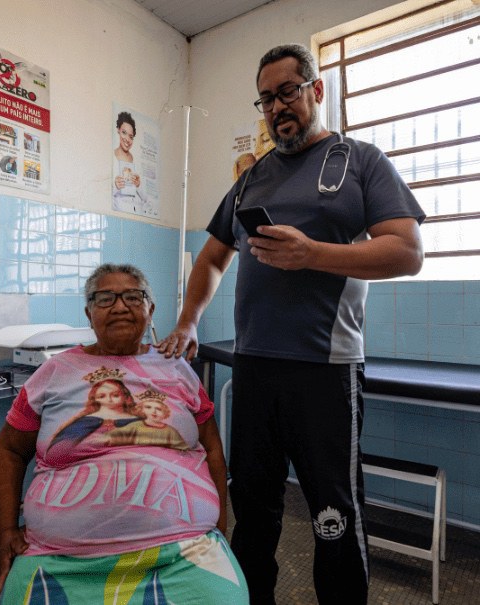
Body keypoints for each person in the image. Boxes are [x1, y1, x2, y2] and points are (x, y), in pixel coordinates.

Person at [157, 44, 424, 604]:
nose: (278, 107)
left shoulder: (360, 161)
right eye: (266, 99)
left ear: (316, 90)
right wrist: (187, 322)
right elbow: (210, 258)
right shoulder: (252, 179)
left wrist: (314, 254)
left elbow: (405, 253)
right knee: (253, 509)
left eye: (288, 92)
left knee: (333, 513)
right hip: (255, 369)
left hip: (325, 372)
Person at [0, 263, 247, 604]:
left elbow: (211, 448)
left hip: (184, 551)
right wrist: (6, 532)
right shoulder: (55, 372)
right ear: (88, 312)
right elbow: (8, 450)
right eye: (105, 298)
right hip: (59, 558)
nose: (121, 306)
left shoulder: (177, 369)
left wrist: (219, 528)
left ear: (150, 310)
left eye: (133, 296)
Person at [107, 388, 188, 450]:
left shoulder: (171, 431)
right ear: (141, 409)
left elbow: (182, 448)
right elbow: (116, 435)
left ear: (165, 413)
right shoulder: (135, 426)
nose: (154, 411)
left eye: (159, 409)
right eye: (148, 407)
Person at [112, 111, 147, 213]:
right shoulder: (112, 160)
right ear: (118, 130)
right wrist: (116, 187)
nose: (127, 139)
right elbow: (104, 197)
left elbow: (146, 199)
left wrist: (138, 185)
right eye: (124, 132)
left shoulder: (137, 163)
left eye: (131, 136)